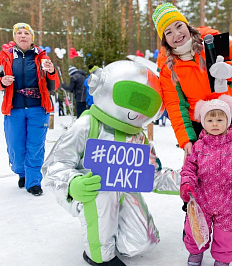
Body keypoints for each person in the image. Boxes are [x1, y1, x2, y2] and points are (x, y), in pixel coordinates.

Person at [42, 61, 181, 266]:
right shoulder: (87, 125)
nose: (136, 106)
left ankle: (110, 228)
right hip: (90, 191)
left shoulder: (138, 137)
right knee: (103, 191)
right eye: (131, 96)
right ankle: (98, 255)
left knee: (143, 243)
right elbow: (55, 164)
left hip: (124, 192)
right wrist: (72, 183)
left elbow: (152, 176)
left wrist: (187, 180)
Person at [153, 3, 232, 156]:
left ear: (187, 25)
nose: (177, 34)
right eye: (169, 32)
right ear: (165, 39)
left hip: (227, 119)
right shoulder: (167, 66)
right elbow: (174, 105)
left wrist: (230, 69)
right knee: (201, 175)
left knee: (230, 170)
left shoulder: (212, 40)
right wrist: (186, 139)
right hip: (198, 125)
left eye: (179, 26)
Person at [180, 95, 232, 266]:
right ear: (204, 122)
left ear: (228, 121)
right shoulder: (198, 147)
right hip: (202, 198)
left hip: (229, 202)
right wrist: (187, 184)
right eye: (210, 119)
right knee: (196, 229)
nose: (215, 124)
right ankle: (195, 254)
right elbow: (189, 169)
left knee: (227, 235)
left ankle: (222, 261)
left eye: (220, 119)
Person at [0, 23, 59, 196]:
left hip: (38, 108)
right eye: (19, 33)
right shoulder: (6, 57)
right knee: (16, 147)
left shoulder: (41, 57)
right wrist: (2, 82)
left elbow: (53, 85)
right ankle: (22, 172)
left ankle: (33, 181)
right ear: (15, 37)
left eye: (26, 33)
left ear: (32, 38)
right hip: (14, 109)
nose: (23, 36)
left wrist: (52, 71)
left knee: (35, 146)